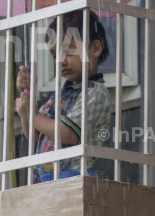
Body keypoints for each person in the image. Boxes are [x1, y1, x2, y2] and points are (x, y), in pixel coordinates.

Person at [15, 10, 111, 183]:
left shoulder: (95, 92)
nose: (61, 60)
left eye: (68, 51)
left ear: (95, 49)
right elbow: (35, 135)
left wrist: (33, 115)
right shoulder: (61, 95)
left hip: (72, 177)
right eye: (55, 55)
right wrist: (27, 107)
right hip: (45, 178)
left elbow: (68, 134)